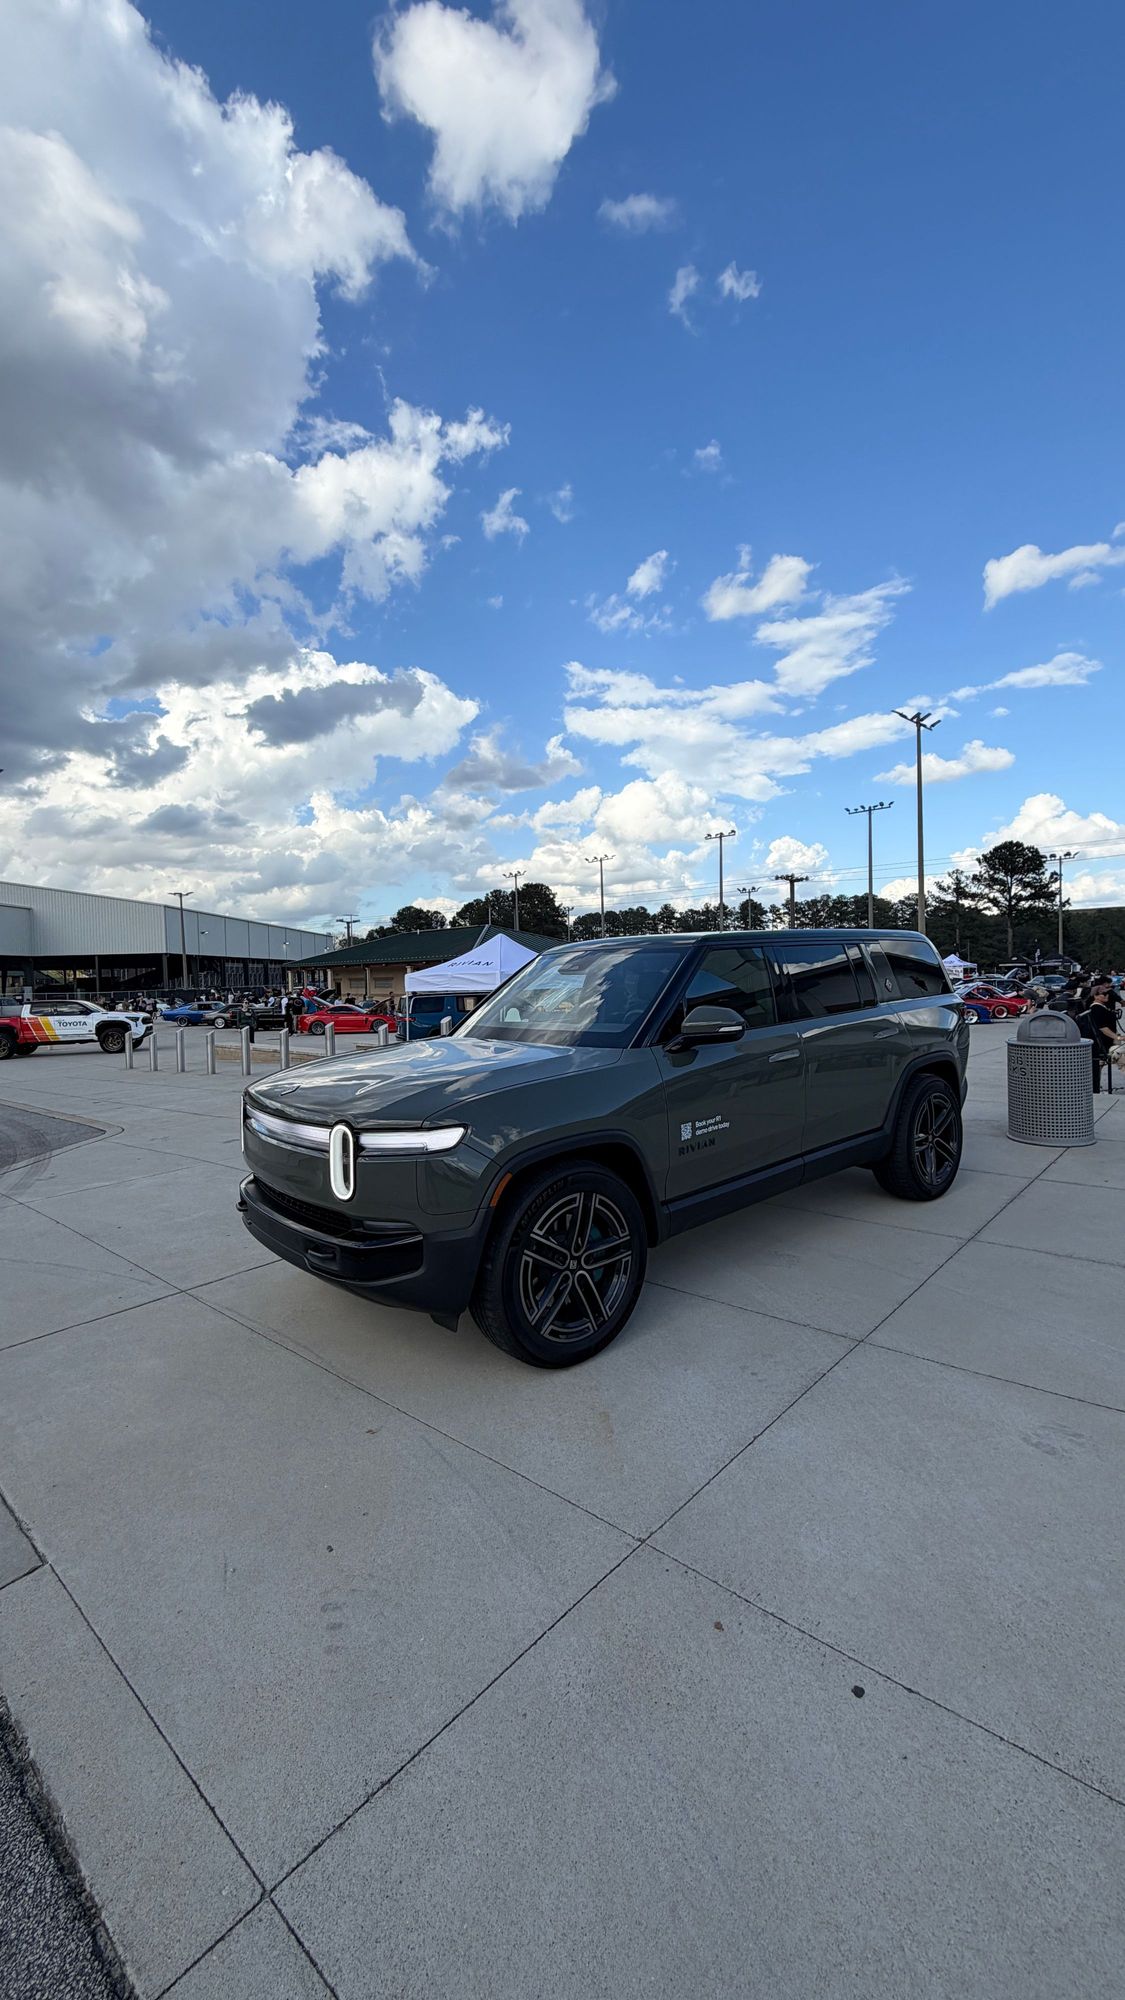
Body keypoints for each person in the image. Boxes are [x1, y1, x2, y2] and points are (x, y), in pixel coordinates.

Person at [1082, 980, 1117, 1094]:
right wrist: (1117, 1038)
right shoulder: (1097, 1008)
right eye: (1103, 994)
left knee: (1100, 1065)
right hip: (1100, 1043)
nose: (1107, 995)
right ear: (1095, 996)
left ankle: (1096, 1087)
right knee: (1099, 1065)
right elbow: (1102, 1027)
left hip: (1103, 1042)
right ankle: (1095, 1088)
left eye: (1107, 993)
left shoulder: (1102, 1007)